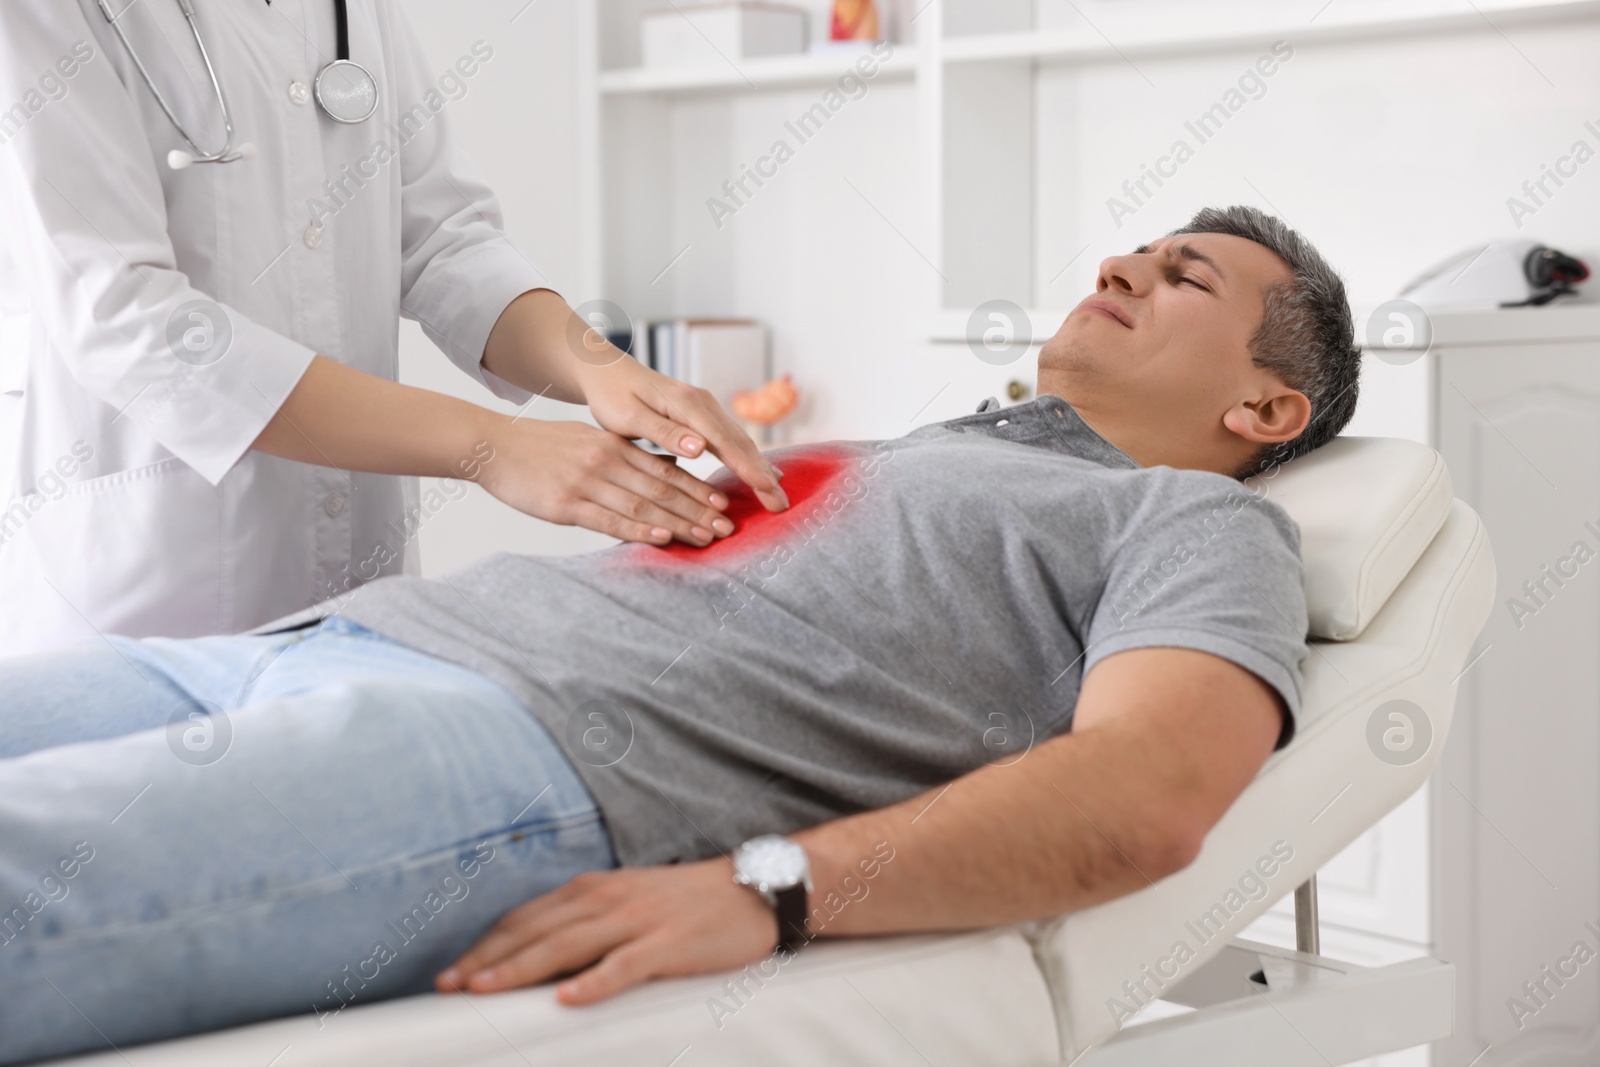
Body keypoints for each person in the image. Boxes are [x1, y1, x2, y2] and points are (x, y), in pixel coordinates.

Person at [0, 206, 1362, 1063]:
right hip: (335, 639)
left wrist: (770, 884)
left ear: (1265, 409)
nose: (1123, 259)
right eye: (1142, 244)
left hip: (529, 754)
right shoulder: (925, 446)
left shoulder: (1194, 524)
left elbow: (1149, 793)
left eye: (1184, 275)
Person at [0, 1, 785, 657]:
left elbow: (443, 238)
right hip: (150, 601)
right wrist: (492, 447)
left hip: (361, 602)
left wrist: (599, 369)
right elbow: (130, 321)